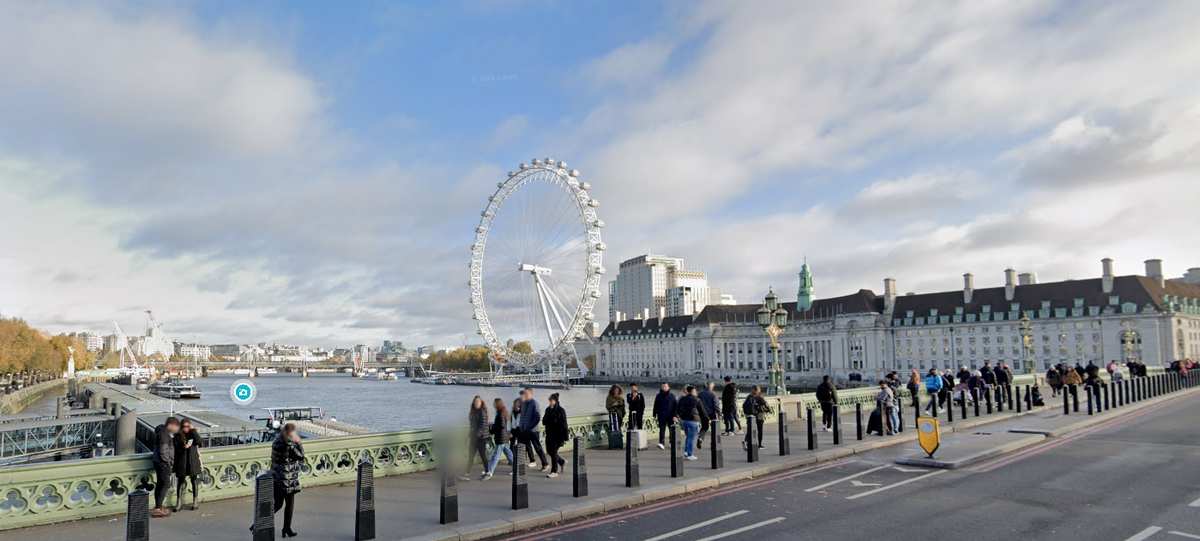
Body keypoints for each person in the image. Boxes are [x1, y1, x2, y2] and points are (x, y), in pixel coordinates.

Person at [253, 422, 304, 538]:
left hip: (277, 478)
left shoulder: (276, 441)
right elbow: (301, 455)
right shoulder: (289, 444)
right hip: (288, 479)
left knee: (278, 504)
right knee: (289, 505)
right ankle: (287, 528)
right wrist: (298, 441)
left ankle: (256, 523)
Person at [151, 416, 180, 517]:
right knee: (166, 484)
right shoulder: (164, 434)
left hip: (159, 462)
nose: (177, 429)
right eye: (176, 426)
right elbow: (163, 450)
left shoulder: (161, 433)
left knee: (160, 484)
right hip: (163, 464)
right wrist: (168, 462)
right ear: (171, 425)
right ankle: (158, 509)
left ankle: (158, 507)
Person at [173, 419, 203, 511]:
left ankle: (195, 501)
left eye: (187, 426)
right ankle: (179, 502)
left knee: (194, 480)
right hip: (181, 462)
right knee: (180, 481)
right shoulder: (177, 436)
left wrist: (193, 430)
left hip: (192, 461)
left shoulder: (192, 435)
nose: (186, 428)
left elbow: (199, 442)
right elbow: (175, 448)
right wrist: (184, 447)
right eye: (184, 427)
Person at [518, 388, 551, 472]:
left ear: (531, 394)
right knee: (522, 447)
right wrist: (521, 427)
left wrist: (530, 426)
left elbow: (537, 417)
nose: (525, 395)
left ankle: (545, 464)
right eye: (524, 393)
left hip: (533, 430)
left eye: (526, 393)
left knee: (537, 447)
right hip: (524, 430)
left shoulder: (534, 404)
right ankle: (521, 464)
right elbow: (522, 417)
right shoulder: (524, 404)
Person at [675, 386, 709, 460]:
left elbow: (677, 409)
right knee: (691, 437)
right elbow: (703, 412)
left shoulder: (682, 399)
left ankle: (686, 452)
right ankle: (690, 454)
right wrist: (708, 420)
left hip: (684, 420)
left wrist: (679, 415)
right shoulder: (697, 400)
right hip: (693, 421)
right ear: (693, 392)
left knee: (688, 436)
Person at [484, 398, 511, 481]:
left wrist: (492, 427)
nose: (493, 404)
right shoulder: (502, 412)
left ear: (497, 404)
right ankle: (517, 468)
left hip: (501, 437)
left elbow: (501, 425)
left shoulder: (500, 414)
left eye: (494, 403)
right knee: (509, 454)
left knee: (496, 456)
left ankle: (489, 471)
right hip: (504, 436)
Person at [542, 393, 569, 478]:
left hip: (558, 435)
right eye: (549, 400)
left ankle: (554, 471)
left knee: (553, 451)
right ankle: (562, 462)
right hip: (549, 434)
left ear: (555, 401)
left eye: (551, 400)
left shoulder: (561, 411)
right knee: (549, 451)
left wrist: (566, 436)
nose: (550, 402)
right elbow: (544, 421)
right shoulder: (548, 410)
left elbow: (564, 423)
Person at [464, 396, 490, 481]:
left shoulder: (482, 412)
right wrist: (471, 434)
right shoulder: (474, 412)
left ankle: (487, 472)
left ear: (481, 403)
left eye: (478, 402)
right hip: (474, 436)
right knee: (471, 455)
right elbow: (473, 426)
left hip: (481, 437)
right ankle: (466, 473)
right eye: (475, 402)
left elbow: (483, 425)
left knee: (483, 455)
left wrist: (477, 435)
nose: (476, 403)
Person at [741, 385, 769, 450]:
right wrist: (768, 410)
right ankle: (759, 444)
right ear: (758, 390)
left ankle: (746, 441)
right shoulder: (760, 397)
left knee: (750, 430)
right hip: (759, 415)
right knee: (760, 430)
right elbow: (766, 405)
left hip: (750, 415)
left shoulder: (749, 397)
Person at [511, 396, 536, 466]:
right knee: (513, 445)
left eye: (518, 404)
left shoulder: (523, 412)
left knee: (523, 446)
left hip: (522, 430)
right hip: (514, 429)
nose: (516, 406)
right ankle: (515, 461)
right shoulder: (513, 412)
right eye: (515, 404)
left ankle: (529, 460)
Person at [652, 383, 678, 450]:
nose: (664, 388)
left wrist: (675, 416)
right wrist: (654, 414)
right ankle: (662, 443)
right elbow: (655, 405)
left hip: (670, 416)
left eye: (665, 386)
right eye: (663, 386)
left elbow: (676, 406)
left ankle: (672, 442)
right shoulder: (658, 396)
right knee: (662, 430)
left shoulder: (672, 396)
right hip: (661, 415)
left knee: (671, 430)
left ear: (668, 387)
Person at [696, 381, 720, 449]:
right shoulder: (713, 394)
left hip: (703, 414)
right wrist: (719, 413)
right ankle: (713, 444)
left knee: (704, 427)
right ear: (712, 387)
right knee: (714, 429)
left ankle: (700, 438)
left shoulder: (700, 393)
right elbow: (716, 405)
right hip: (712, 414)